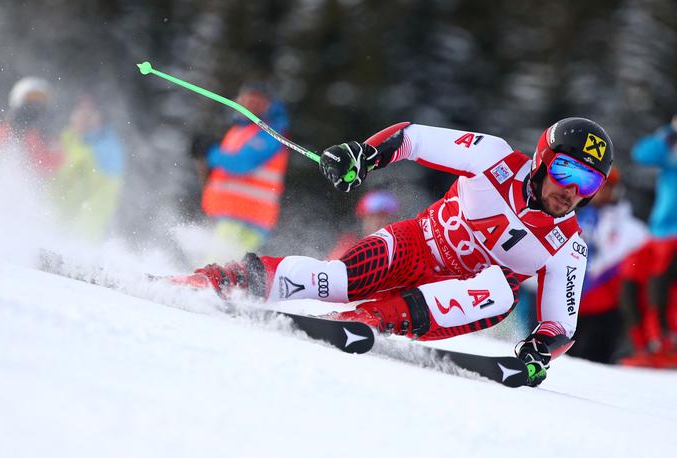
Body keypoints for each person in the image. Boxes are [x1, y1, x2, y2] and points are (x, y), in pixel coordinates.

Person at [184, 117, 614, 387]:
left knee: (500, 293)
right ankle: (225, 279)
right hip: (414, 245)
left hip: (454, 299)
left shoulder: (569, 247)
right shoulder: (494, 157)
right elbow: (412, 138)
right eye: (565, 170)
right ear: (543, 160)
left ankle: (365, 320)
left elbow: (561, 324)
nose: (571, 190)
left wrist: (539, 351)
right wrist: (364, 155)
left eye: (589, 183)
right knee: (335, 280)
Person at [195, 82, 290, 261]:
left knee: (217, 267)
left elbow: (242, 163)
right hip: (229, 213)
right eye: (246, 99)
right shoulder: (240, 129)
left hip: (247, 217)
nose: (249, 105)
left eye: (257, 101)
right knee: (219, 267)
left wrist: (210, 152)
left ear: (268, 105)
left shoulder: (269, 131)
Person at [567, 168, 650, 363]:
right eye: (597, 187)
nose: (600, 193)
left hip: (606, 305)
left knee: (595, 357)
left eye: (606, 188)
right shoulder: (574, 215)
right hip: (573, 298)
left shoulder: (632, 229)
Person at [628, 116, 677, 365]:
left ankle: (666, 346)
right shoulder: (671, 145)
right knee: (631, 280)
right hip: (658, 233)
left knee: (663, 287)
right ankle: (645, 347)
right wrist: (669, 132)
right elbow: (642, 154)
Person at [52, 94, 126, 240]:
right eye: (80, 110)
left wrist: (80, 238)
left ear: (100, 117)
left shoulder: (107, 147)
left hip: (81, 233)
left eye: (90, 112)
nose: (83, 117)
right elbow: (50, 181)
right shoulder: (67, 138)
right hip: (53, 221)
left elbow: (101, 201)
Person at [0, 76, 63, 176]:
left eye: (41, 103)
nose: (36, 107)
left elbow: (56, 169)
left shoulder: (44, 140)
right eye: (31, 100)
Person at [327, 190, 401, 259]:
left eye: (384, 217)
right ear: (363, 219)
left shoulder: (400, 246)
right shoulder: (349, 244)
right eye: (372, 217)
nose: (379, 222)